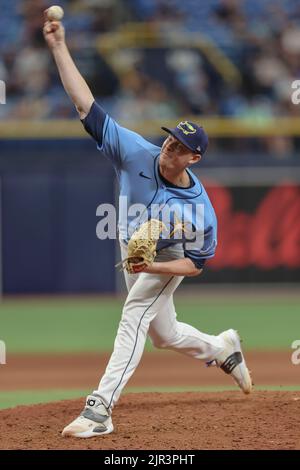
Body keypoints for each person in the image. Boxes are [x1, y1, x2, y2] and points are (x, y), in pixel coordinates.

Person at [43, 16, 252, 439]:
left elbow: (195, 266)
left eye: (179, 147)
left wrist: (152, 269)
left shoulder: (200, 213)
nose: (168, 147)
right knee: (164, 333)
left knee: (135, 313)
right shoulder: (137, 150)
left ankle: (100, 409)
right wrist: (59, 46)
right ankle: (222, 348)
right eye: (169, 139)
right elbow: (86, 105)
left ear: (194, 159)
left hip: (169, 256)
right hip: (134, 246)